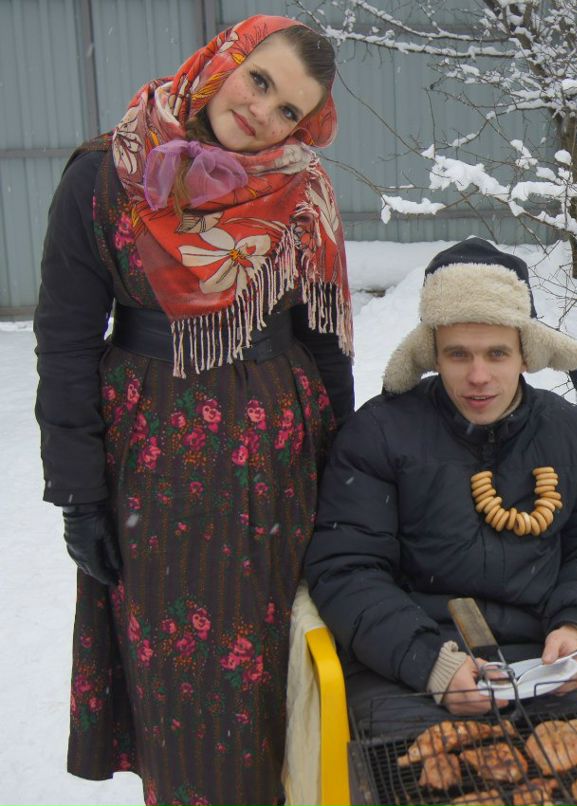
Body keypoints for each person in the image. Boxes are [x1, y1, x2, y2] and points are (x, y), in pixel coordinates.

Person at [33, 15, 354, 805]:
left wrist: (347, 471)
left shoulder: (303, 193)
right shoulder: (104, 175)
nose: (263, 112)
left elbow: (324, 344)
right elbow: (67, 343)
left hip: (281, 465)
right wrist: (77, 493)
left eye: (290, 111)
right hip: (151, 466)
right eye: (262, 80)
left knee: (279, 661)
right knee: (179, 678)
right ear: (226, 61)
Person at [304, 237, 577, 732]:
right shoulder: (378, 434)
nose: (478, 376)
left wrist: (575, 623)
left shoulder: (576, 437)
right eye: (459, 355)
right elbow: (346, 568)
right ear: (433, 354)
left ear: (525, 353)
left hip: (536, 671)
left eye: (496, 353)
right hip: (402, 671)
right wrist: (430, 663)